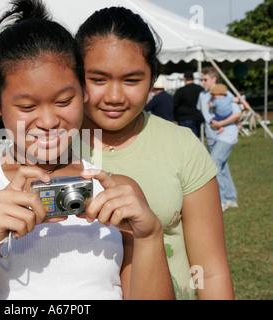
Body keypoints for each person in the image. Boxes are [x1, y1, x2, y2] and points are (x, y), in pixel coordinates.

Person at [0, 0, 174, 300]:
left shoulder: (117, 192)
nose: (47, 121)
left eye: (63, 101)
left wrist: (149, 236)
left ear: (83, 91)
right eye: (27, 106)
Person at [74, 7, 234, 299]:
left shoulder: (182, 146)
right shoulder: (51, 146)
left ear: (152, 80)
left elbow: (210, 270)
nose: (114, 96)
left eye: (132, 80)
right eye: (98, 80)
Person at [197, 67, 240, 212]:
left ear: (214, 79)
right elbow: (202, 112)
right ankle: (231, 198)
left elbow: (237, 113)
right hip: (211, 136)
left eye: (205, 79)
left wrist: (220, 124)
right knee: (222, 166)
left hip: (225, 135)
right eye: (202, 80)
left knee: (214, 165)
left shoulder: (224, 93)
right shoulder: (202, 95)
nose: (203, 82)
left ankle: (221, 201)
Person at [173, 70, 204, 137]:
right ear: (193, 78)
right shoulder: (200, 89)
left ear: (184, 78)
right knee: (196, 139)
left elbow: (174, 104)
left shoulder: (181, 91)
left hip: (184, 118)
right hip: (197, 117)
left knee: (186, 139)